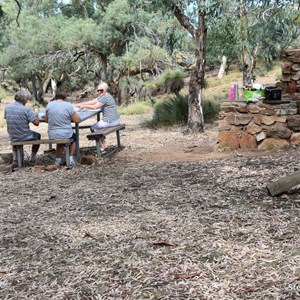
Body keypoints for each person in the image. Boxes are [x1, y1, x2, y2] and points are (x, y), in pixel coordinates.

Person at [75, 81, 120, 151]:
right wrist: (81, 103)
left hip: (110, 121)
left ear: (105, 90)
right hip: (116, 119)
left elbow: (95, 107)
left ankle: (102, 146)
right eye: (98, 90)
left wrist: (84, 106)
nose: (99, 92)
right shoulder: (107, 95)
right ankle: (104, 144)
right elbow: (93, 101)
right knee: (98, 127)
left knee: (93, 128)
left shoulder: (104, 97)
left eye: (101, 90)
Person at [4, 89, 41, 167]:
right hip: (24, 135)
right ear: (24, 99)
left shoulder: (7, 107)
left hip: (12, 135)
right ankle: (32, 159)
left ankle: (15, 159)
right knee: (38, 136)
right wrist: (36, 116)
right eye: (27, 98)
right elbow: (36, 123)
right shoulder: (26, 109)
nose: (27, 100)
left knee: (15, 136)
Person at [44, 92, 81, 167]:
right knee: (74, 138)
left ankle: (58, 160)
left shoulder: (49, 105)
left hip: (52, 134)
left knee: (59, 141)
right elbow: (77, 120)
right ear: (65, 98)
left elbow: (46, 120)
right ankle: (70, 159)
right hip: (65, 133)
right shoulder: (68, 105)